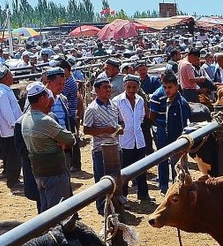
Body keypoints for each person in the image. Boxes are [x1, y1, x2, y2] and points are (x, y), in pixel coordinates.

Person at [21, 81, 75, 211]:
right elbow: (69, 139)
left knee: (45, 211)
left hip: (40, 173)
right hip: (54, 172)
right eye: (47, 96)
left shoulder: (26, 119)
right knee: (58, 213)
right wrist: (60, 142)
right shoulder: (45, 121)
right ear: (42, 99)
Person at [82, 76, 123, 214]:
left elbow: (121, 121)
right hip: (100, 149)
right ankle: (101, 206)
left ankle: (115, 204)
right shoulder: (91, 109)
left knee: (116, 177)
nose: (108, 90)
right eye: (105, 87)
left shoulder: (114, 105)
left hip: (116, 146)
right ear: (97, 90)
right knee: (101, 179)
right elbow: (86, 130)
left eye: (109, 87)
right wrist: (104, 130)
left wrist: (119, 128)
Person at [148, 70, 191, 194]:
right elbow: (153, 116)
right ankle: (164, 186)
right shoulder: (162, 98)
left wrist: (183, 140)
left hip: (176, 135)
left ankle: (179, 185)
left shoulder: (181, 103)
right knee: (162, 158)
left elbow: (184, 123)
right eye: (165, 87)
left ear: (176, 87)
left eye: (170, 87)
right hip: (163, 131)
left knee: (178, 161)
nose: (167, 90)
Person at [113, 74, 150, 203]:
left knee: (141, 169)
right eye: (129, 87)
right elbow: (115, 121)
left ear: (138, 87)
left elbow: (141, 118)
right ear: (124, 86)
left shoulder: (140, 100)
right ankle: (123, 196)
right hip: (124, 141)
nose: (131, 90)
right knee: (124, 171)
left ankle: (143, 194)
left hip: (138, 140)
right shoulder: (117, 101)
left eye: (134, 87)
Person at [0, 66, 23, 189]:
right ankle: (12, 181)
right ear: (5, 78)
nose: (12, 77)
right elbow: (7, 112)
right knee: (12, 157)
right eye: (10, 75)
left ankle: (14, 179)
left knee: (14, 156)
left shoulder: (5, 90)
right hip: (10, 130)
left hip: (12, 128)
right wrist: (14, 125)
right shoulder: (1, 92)